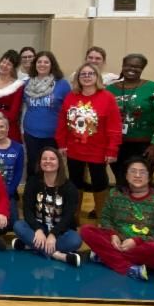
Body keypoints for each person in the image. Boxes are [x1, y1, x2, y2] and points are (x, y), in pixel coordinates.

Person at [80, 157, 154, 281]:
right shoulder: (115, 194)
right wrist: (113, 234)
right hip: (117, 243)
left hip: (143, 246)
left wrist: (137, 241)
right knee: (86, 230)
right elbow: (105, 219)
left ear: (149, 176)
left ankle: (106, 256)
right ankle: (128, 268)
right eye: (133, 171)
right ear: (126, 175)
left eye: (142, 172)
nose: (137, 175)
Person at [56, 62, 121, 219]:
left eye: (90, 74)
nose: (86, 77)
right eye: (82, 74)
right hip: (74, 149)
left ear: (97, 77)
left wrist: (112, 150)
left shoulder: (108, 98)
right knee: (75, 181)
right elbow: (62, 123)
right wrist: (62, 144)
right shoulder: (71, 97)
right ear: (78, 78)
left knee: (100, 182)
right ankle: (73, 216)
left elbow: (114, 127)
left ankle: (102, 217)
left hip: (98, 150)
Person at [12, 146, 82, 266]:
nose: (48, 161)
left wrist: (53, 234)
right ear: (40, 163)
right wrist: (38, 230)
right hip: (37, 229)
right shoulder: (33, 182)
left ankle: (30, 245)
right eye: (44, 159)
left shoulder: (70, 188)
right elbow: (27, 210)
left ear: (59, 163)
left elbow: (68, 217)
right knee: (18, 225)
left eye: (52, 159)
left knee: (75, 241)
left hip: (60, 232)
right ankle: (57, 255)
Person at [109, 54, 154, 184]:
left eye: (137, 67)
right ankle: (123, 204)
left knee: (141, 182)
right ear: (123, 66)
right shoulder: (110, 89)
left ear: (142, 69)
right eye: (128, 65)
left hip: (144, 146)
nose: (132, 69)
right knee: (121, 180)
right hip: (117, 145)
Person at [21, 50, 70, 165]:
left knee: (51, 166)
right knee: (33, 166)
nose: (42, 64)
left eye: (46, 62)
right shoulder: (27, 84)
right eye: (39, 62)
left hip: (53, 135)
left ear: (52, 65)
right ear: (35, 64)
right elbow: (23, 108)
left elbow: (69, 111)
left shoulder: (62, 84)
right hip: (31, 133)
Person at [0, 112, 25, 212]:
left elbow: (18, 173)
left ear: (7, 128)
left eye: (2, 126)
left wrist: (9, 192)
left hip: (8, 192)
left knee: (12, 223)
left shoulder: (18, 148)